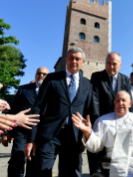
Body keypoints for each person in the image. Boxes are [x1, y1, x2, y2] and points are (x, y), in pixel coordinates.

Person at [25, 47, 93, 177]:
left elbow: (88, 111)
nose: (74, 61)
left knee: (69, 173)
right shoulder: (51, 79)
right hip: (49, 136)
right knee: (42, 172)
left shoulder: (87, 84)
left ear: (83, 62)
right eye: (71, 58)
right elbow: (37, 108)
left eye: (77, 59)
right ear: (66, 59)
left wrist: (86, 137)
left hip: (73, 137)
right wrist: (31, 139)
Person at [3, 67, 49, 177]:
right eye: (39, 73)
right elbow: (12, 111)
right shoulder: (24, 89)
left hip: (40, 134)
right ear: (35, 75)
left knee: (33, 162)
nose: (41, 76)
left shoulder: (52, 91)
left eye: (44, 74)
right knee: (17, 158)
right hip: (22, 132)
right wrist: (6, 132)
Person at [89, 52, 131, 174]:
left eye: (114, 64)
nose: (111, 67)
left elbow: (127, 102)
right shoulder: (97, 77)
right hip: (102, 122)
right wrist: (97, 122)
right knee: (99, 155)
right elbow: (95, 100)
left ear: (120, 65)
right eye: (108, 63)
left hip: (120, 124)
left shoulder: (125, 79)